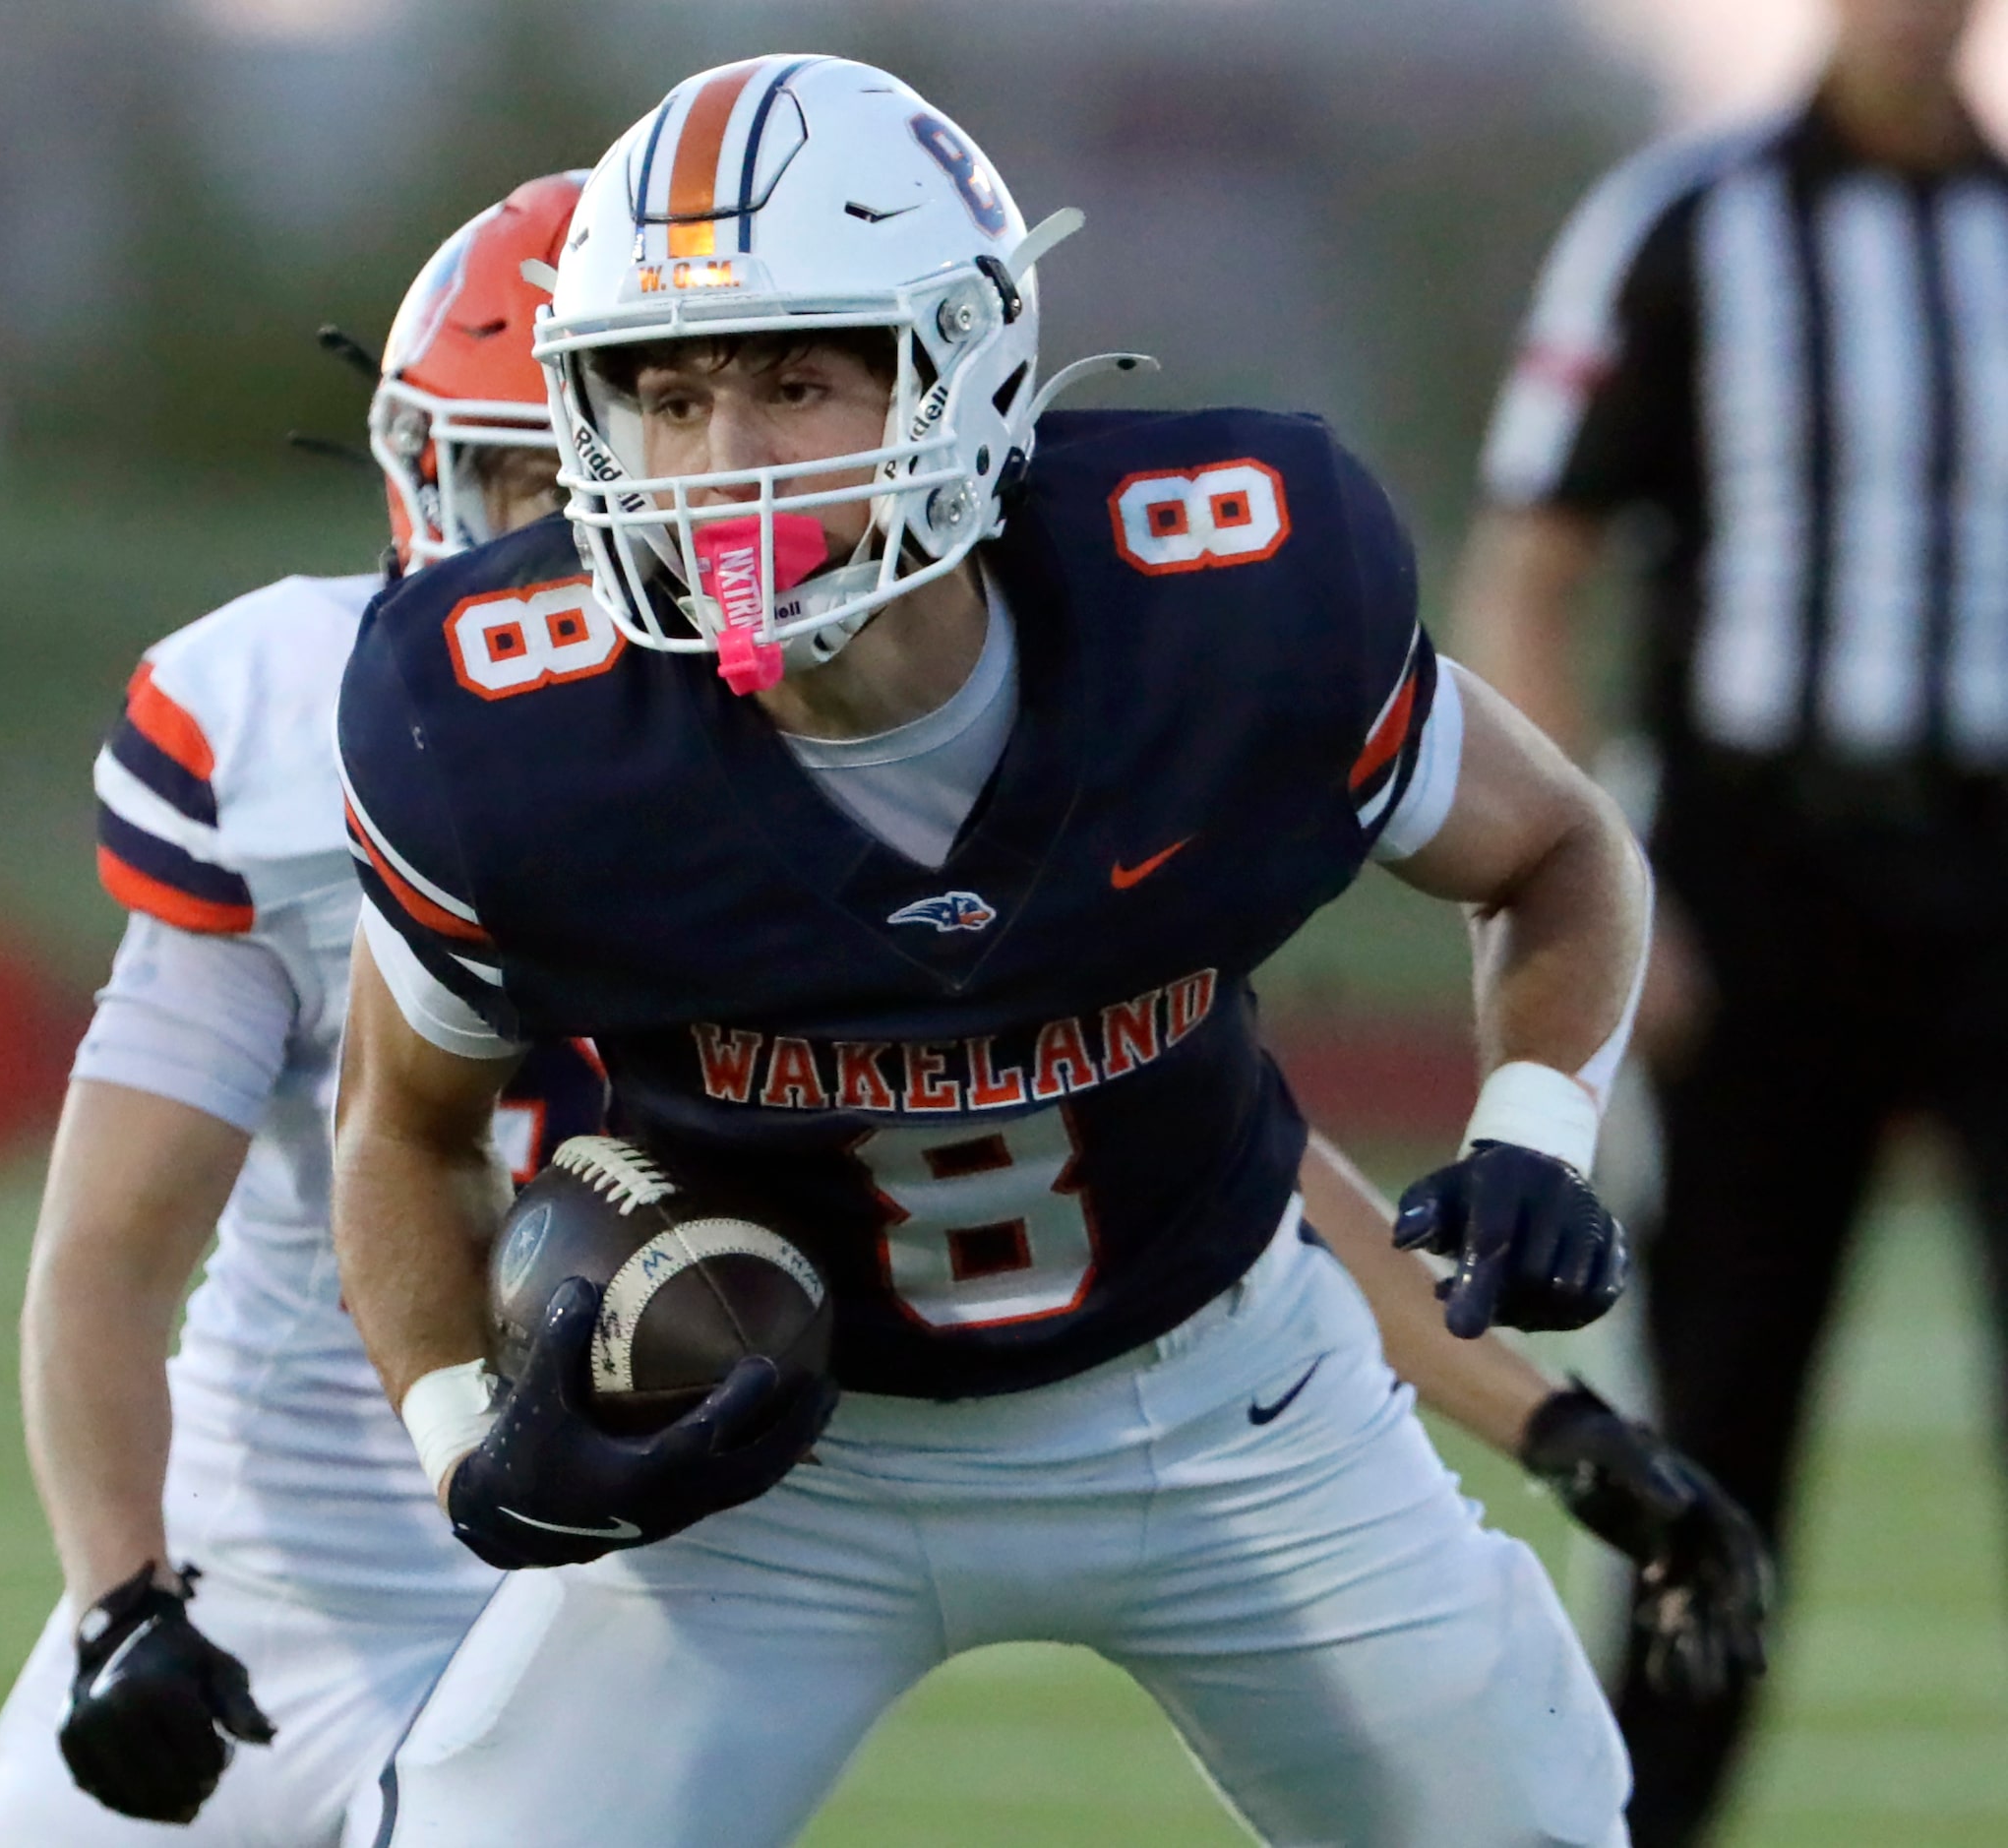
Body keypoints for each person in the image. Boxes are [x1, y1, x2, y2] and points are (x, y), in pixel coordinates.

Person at [335, 55, 1657, 1848]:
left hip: (1221, 1387)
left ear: (960, 365)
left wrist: (1533, 1121)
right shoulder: (502, 723)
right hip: (772, 1459)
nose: (719, 462)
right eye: (666, 392)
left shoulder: (1221, 592)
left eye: (797, 381)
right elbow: (400, 1123)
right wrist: (462, 1440)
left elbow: (1559, 845)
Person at [0, 175, 607, 1848]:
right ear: (420, 472)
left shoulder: (852, 766)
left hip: (617, 1615)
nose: (553, 540)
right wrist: (123, 1595)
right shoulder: (285, 735)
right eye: (515, 476)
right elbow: (109, 1247)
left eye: (593, 477)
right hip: (264, 1568)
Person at [1456, 1, 2008, 1838]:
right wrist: (1608, 890)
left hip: (1995, 858)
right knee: (1722, 1405)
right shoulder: (1684, 221)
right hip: (1762, 874)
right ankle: (1648, 1821)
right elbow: (1527, 565)